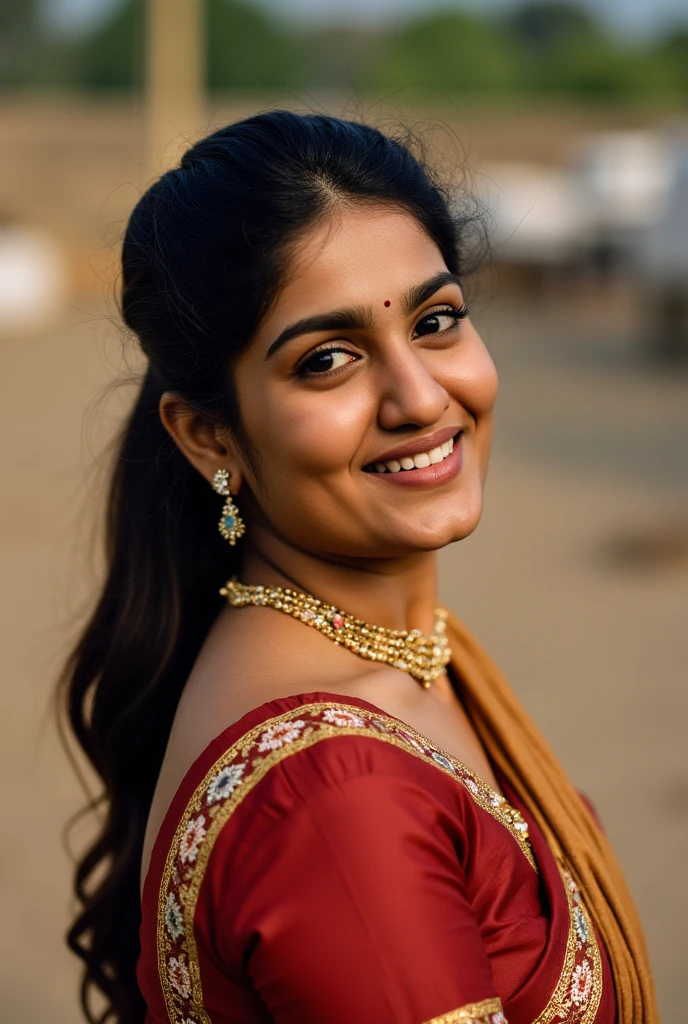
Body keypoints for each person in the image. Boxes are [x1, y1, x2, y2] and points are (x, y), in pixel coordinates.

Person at [61, 111, 658, 1024]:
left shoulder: (413, 653)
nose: (420, 397)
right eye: (328, 360)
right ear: (208, 435)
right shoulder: (336, 800)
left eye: (437, 320)